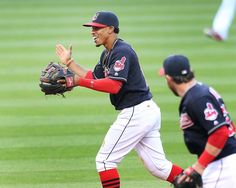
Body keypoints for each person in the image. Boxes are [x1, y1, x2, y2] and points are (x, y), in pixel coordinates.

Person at [55, 11, 183, 188]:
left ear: (110, 29)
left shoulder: (122, 51)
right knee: (158, 167)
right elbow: (95, 77)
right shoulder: (108, 53)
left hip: (137, 112)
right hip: (145, 110)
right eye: (91, 28)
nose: (92, 31)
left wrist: (78, 82)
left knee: (105, 161)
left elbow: (114, 86)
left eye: (97, 28)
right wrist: (70, 63)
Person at [159, 54, 236, 187]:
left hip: (223, 166)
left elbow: (220, 133)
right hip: (221, 162)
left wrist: (198, 168)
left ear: (169, 79)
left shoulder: (196, 98)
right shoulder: (199, 92)